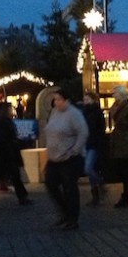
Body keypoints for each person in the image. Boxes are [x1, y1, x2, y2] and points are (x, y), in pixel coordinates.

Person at [43, 88, 88, 230]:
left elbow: (83, 132)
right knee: (50, 183)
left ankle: (72, 218)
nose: (56, 102)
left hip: (69, 158)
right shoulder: (55, 112)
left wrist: (75, 150)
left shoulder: (74, 114)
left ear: (66, 100)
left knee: (70, 189)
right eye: (54, 99)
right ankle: (64, 212)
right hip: (54, 158)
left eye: (59, 99)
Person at [0, 101, 33, 208]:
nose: (10, 111)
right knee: (4, 175)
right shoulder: (1, 121)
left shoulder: (1, 120)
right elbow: (5, 137)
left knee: (11, 175)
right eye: (9, 109)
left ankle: (22, 197)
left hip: (5, 152)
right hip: (5, 153)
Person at [81, 91, 106, 206]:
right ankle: (95, 194)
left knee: (88, 168)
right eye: (85, 99)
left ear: (93, 100)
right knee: (90, 169)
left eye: (87, 99)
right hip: (87, 143)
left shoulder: (97, 112)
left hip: (93, 144)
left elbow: (100, 129)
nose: (85, 101)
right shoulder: (84, 112)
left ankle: (100, 184)